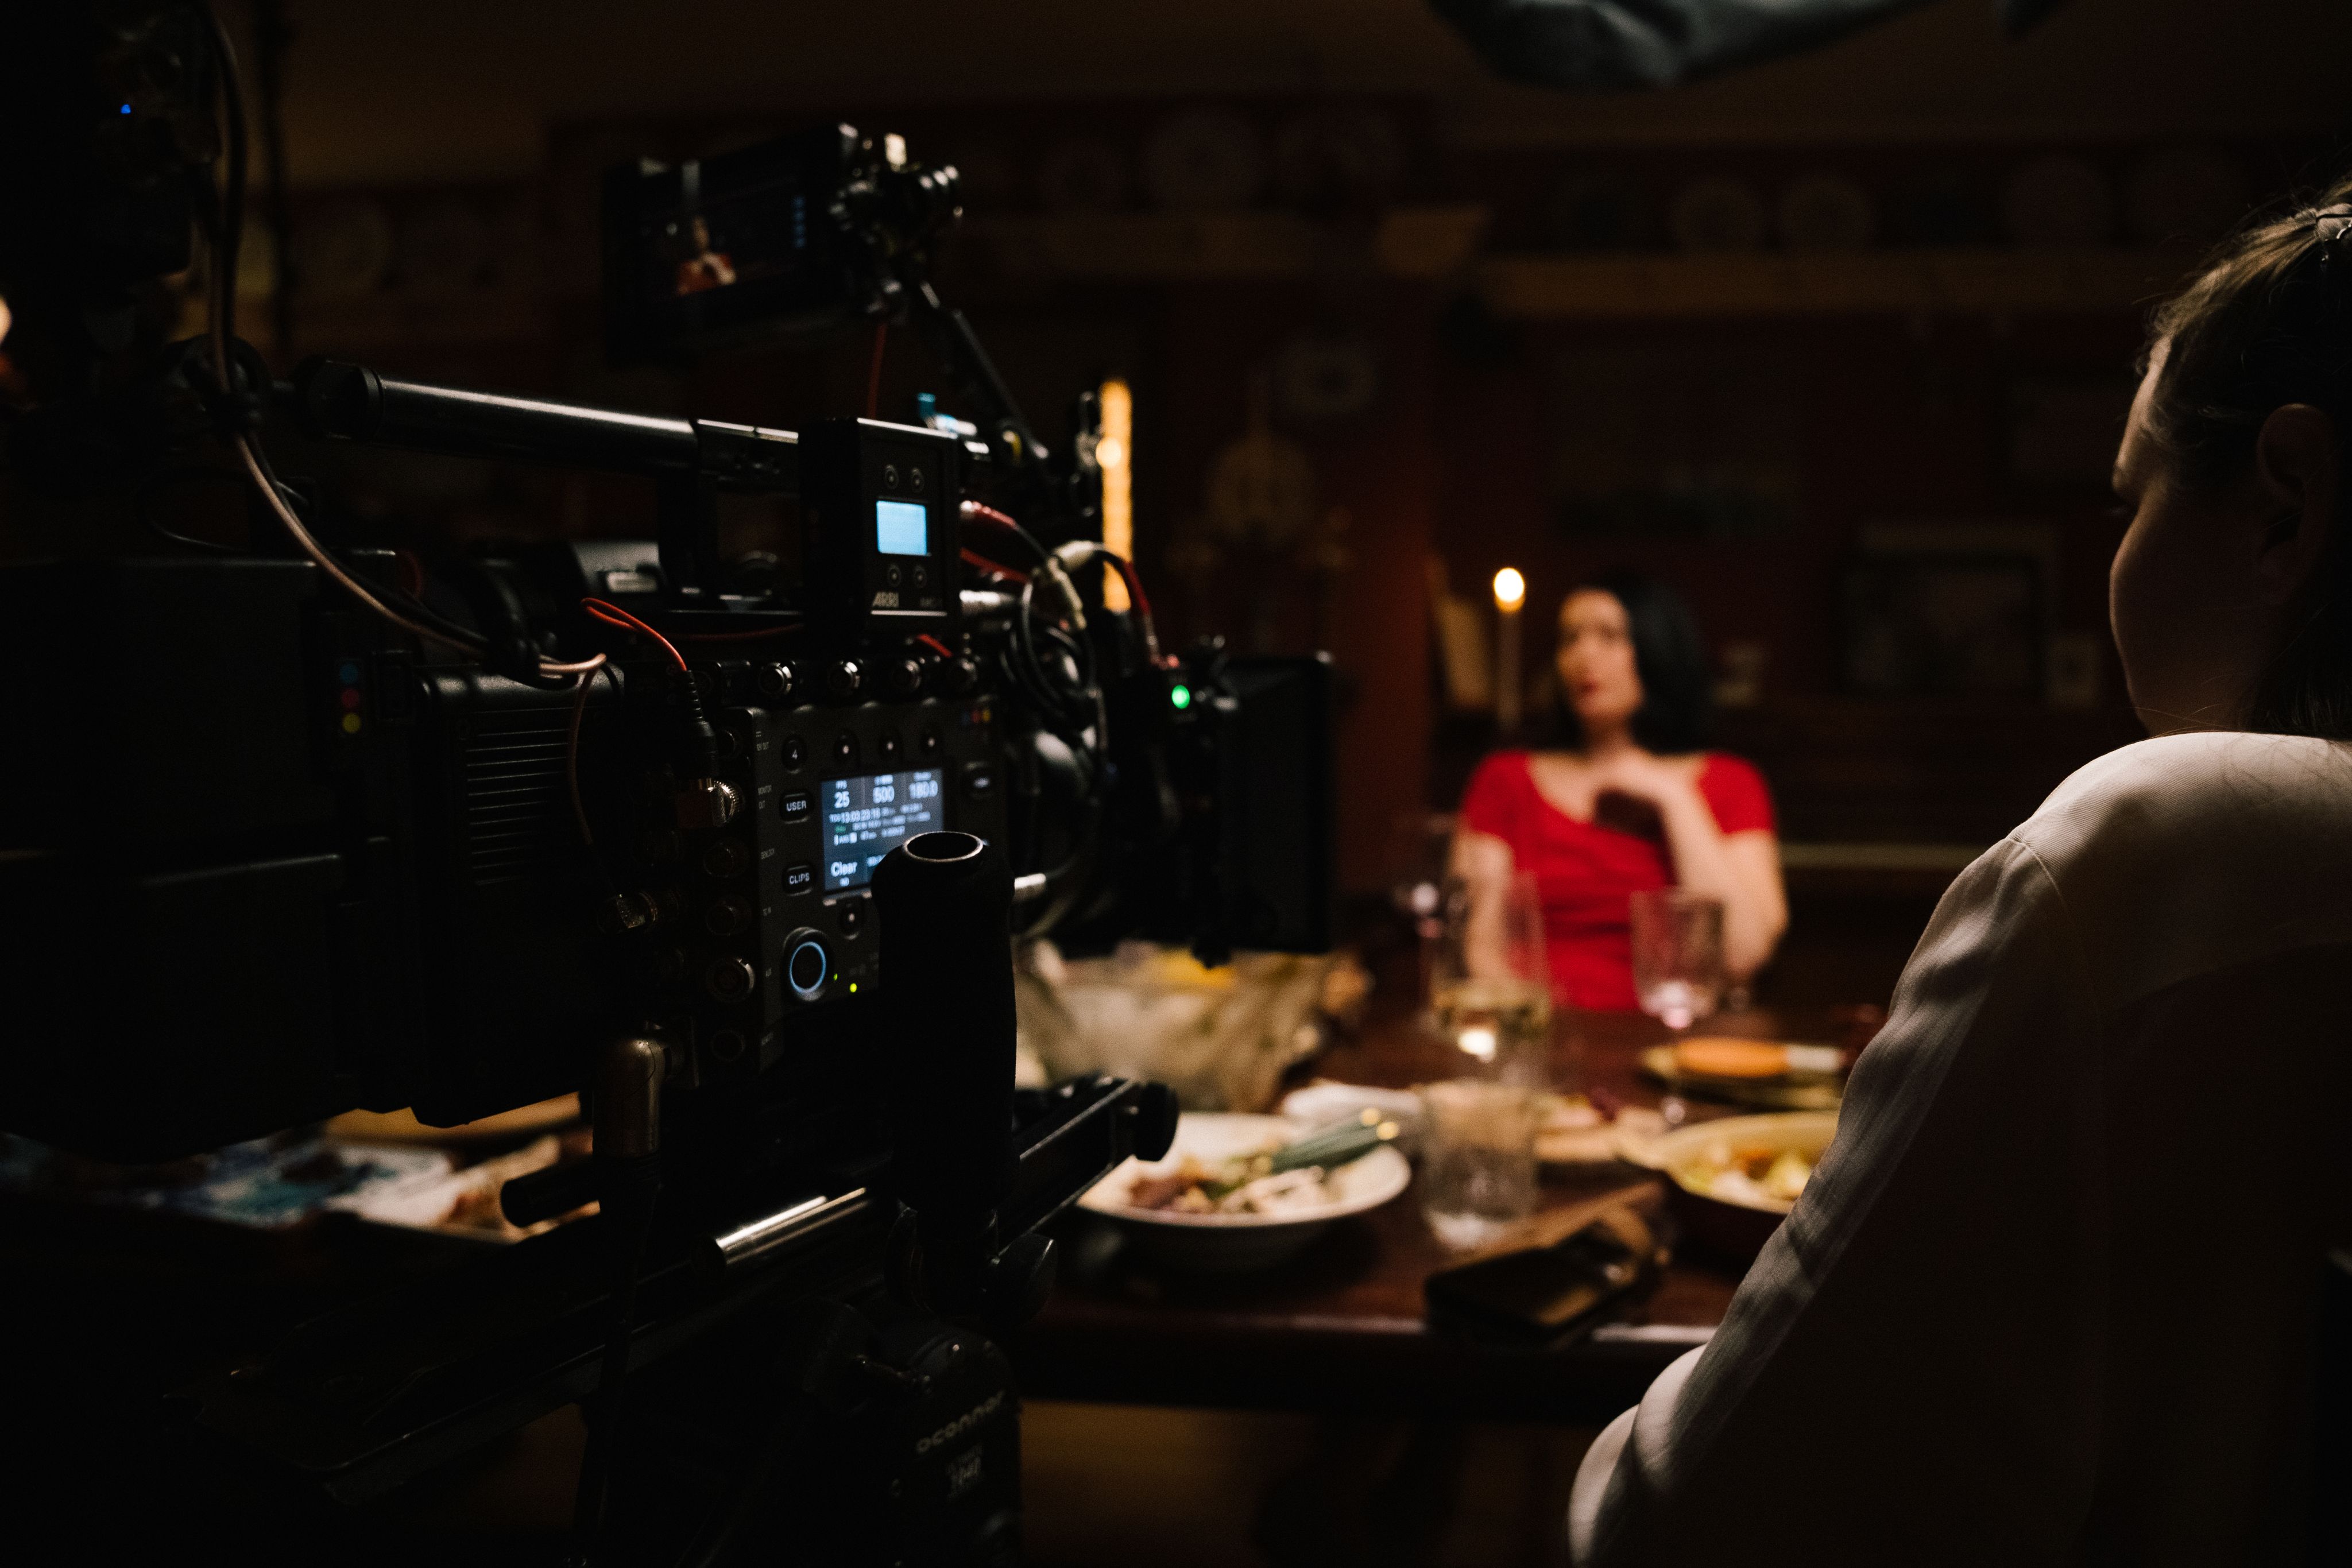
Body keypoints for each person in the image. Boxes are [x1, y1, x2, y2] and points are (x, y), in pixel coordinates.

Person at [1569, 189, 2352, 1564]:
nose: (2112, 555)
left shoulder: (2168, 843)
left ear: (2285, 508)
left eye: (2129, 498)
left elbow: (1686, 1520)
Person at [1451, 571, 1785, 1011]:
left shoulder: (1730, 781)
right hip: (1539, 1036)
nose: (1582, 655)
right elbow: (1482, 950)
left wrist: (1674, 797)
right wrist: (1532, 1036)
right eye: (1570, 637)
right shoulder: (1506, 778)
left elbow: (1742, 954)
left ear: (1657, 649)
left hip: (1676, 1041)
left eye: (1610, 635)